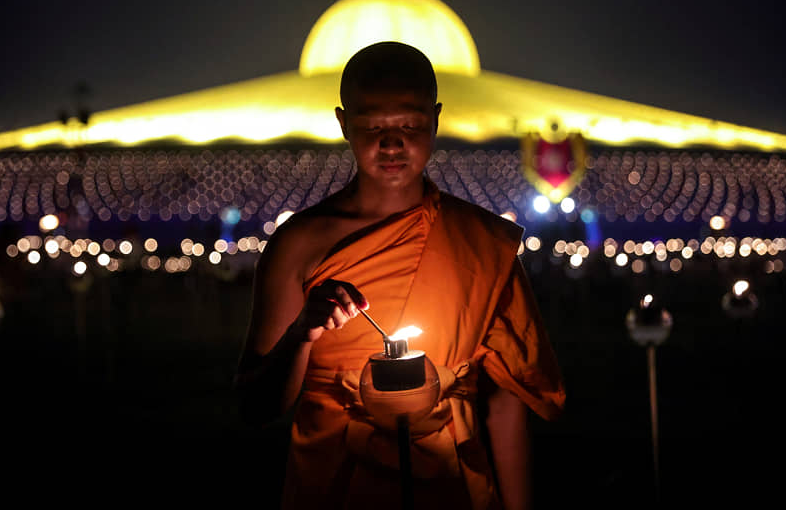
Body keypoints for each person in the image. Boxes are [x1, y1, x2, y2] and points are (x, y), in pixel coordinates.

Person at [236, 41, 565, 509]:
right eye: (372, 125)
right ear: (343, 123)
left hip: (452, 481)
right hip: (335, 483)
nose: (392, 144)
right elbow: (255, 406)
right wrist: (301, 335)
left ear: (435, 119)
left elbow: (504, 400)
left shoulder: (480, 242)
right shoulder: (300, 244)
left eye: (410, 124)